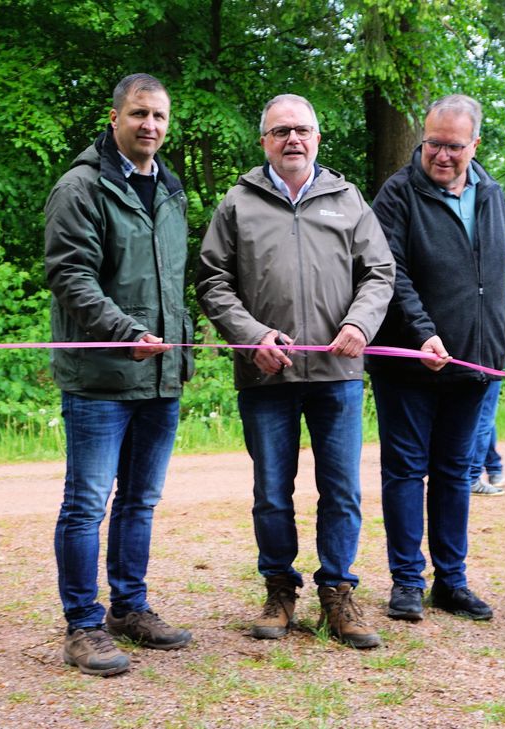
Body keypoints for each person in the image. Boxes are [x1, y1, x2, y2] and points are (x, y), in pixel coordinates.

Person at [196, 94, 394, 649]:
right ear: (264, 141)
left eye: (302, 130)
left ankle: (338, 592)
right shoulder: (238, 202)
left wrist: (360, 324)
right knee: (271, 492)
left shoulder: (347, 198)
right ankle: (280, 589)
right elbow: (212, 280)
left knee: (342, 489)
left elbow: (379, 272)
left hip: (338, 373)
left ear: (317, 138)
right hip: (266, 375)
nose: (292, 140)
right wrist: (250, 336)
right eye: (280, 131)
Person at [45, 73, 194, 676]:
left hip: (160, 381)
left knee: (141, 502)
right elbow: (70, 275)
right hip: (101, 378)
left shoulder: (172, 189)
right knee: (86, 505)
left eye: (158, 116)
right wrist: (126, 332)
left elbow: (174, 282)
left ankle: (129, 608)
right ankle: (82, 624)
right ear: (114, 119)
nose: (150, 126)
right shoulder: (80, 187)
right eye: (139, 114)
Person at [366, 94, 505, 623]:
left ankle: (452, 581)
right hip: (408, 361)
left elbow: (498, 275)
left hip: (473, 363)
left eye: (452, 145)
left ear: (475, 144)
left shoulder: (492, 193)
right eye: (432, 143)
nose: (440, 154)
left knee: (456, 471)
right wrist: (424, 333)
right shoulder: (397, 194)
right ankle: (407, 581)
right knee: (405, 469)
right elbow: (391, 273)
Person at [469, 267, 505, 495]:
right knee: (483, 418)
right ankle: (472, 476)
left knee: (482, 415)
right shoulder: (500, 268)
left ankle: (494, 467)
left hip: (466, 352)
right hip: (491, 353)